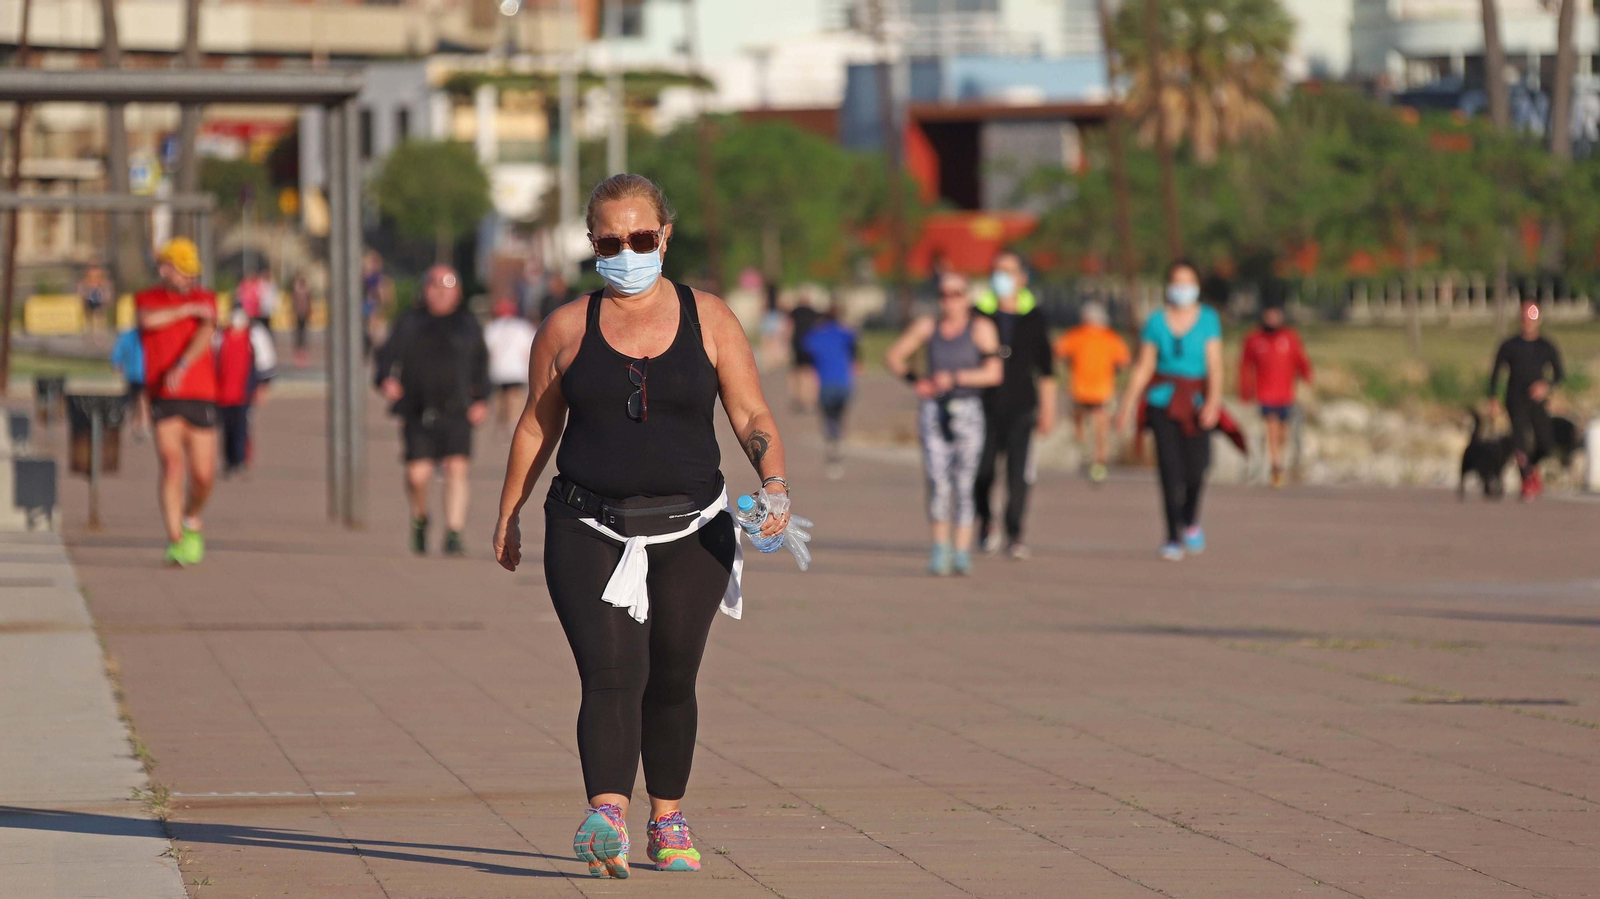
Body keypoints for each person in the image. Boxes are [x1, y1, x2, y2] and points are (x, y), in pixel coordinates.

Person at [493, 174, 796, 879]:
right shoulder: (566, 327)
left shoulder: (711, 318)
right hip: (584, 523)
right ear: (591, 243)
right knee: (610, 672)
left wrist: (774, 482)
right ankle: (606, 814)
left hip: (694, 527)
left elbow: (751, 415)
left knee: (671, 675)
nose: (626, 249)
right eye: (609, 240)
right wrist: (508, 512)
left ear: (664, 235)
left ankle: (667, 815)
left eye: (639, 237)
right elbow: (536, 425)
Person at [885, 272, 1004, 576]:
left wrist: (956, 378)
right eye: (943, 295)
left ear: (967, 297)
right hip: (934, 410)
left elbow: (994, 373)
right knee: (937, 481)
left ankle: (962, 550)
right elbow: (894, 356)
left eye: (956, 294)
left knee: (965, 482)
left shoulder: (980, 328)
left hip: (968, 409)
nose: (949, 301)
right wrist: (916, 381)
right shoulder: (929, 327)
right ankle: (941, 548)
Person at [375, 265, 489, 556]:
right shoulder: (409, 322)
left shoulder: (468, 324)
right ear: (424, 289)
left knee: (456, 469)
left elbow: (482, 364)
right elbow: (385, 359)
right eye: (434, 284)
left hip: (457, 410)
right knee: (418, 475)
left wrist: (482, 398)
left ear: (458, 291)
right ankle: (420, 517)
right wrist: (386, 380)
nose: (440, 290)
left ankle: (454, 531)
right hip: (417, 410)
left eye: (447, 284)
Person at [1116, 260, 1224, 561]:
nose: (1182, 288)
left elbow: (1215, 365)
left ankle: (1190, 518)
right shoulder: (1155, 322)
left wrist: (1213, 402)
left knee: (1197, 469)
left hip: (1196, 402)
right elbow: (1144, 366)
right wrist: (1126, 405)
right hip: (1162, 402)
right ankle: (1172, 535)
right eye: (1177, 282)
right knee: (1169, 470)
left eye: (1188, 282)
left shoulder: (1208, 320)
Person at [137, 238, 220, 567]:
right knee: (172, 464)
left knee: (203, 474)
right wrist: (184, 310)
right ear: (164, 269)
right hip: (164, 396)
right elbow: (147, 321)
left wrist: (182, 364)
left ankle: (192, 517)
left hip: (200, 394)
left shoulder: (206, 297)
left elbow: (207, 330)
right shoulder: (150, 299)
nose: (188, 279)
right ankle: (174, 539)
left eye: (191, 273)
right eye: (182, 272)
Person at [972, 250, 1056, 559]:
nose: (1002, 278)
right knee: (981, 472)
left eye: (1008, 272)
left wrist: (1048, 409)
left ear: (1022, 277)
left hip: (1022, 405)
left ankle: (1015, 532)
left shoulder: (1034, 316)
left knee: (1018, 475)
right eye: (997, 271)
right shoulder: (978, 313)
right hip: (983, 406)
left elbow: (1046, 370)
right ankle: (985, 523)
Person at [1489, 299, 1565, 501]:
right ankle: (1527, 482)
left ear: (1538, 319)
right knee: (1520, 441)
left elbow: (1560, 374)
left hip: (1537, 401)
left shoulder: (1546, 346)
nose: (1528, 321)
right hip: (1515, 399)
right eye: (1525, 315)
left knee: (1545, 443)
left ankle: (1532, 469)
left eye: (1532, 316)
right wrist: (1493, 399)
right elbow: (1496, 373)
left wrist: (1546, 386)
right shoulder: (1509, 345)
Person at [1238, 303, 1313, 488]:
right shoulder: (1254, 339)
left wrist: (1307, 378)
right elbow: (1245, 365)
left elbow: (1301, 360)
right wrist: (1245, 390)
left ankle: (1280, 459)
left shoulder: (1290, 338)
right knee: (1271, 426)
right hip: (1265, 393)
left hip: (1286, 394)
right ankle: (1276, 465)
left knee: (1283, 432)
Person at [1055, 301, 1129, 484]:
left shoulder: (1075, 335)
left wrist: (1068, 365)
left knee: (1081, 420)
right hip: (1101, 389)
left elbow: (1059, 352)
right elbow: (1124, 361)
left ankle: (1083, 449)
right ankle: (1099, 462)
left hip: (1080, 389)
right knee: (1101, 428)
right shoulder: (1111, 337)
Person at [800, 302, 859, 479]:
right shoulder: (845, 333)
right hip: (844, 383)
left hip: (825, 384)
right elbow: (855, 346)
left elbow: (805, 353)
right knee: (839, 416)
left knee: (828, 418)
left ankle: (833, 446)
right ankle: (838, 440)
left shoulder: (815, 336)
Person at [214, 308, 276, 477]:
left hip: (245, 391)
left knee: (243, 426)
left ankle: (241, 459)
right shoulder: (220, 336)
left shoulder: (255, 335)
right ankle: (229, 461)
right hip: (223, 391)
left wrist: (263, 387)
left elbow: (266, 362)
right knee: (227, 426)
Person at [483, 297, 537, 433]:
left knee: (500, 399)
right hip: (517, 371)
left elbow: (488, 351)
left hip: (498, 371)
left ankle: (501, 425)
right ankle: (513, 426)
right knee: (516, 399)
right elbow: (529, 351)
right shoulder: (523, 327)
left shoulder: (491, 327)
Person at [110, 325, 148, 440]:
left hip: (141, 374)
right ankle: (138, 425)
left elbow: (117, 352)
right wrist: (117, 364)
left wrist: (117, 363)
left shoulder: (130, 335)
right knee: (137, 400)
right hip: (136, 374)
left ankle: (140, 425)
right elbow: (118, 351)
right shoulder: (130, 335)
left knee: (141, 399)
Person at [787, 293, 820, 412]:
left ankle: (800, 398)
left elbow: (789, 327)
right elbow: (818, 327)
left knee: (799, 372)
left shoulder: (795, 311)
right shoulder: (813, 312)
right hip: (810, 343)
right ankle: (811, 398)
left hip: (797, 343)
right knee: (811, 372)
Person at [79, 264, 113, 336]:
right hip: (90, 293)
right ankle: (90, 329)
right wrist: (83, 295)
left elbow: (105, 285)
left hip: (97, 293)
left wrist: (106, 297)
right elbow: (83, 285)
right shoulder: (87, 277)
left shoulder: (101, 276)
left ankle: (99, 330)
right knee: (89, 314)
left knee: (99, 314)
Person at [290, 272, 314, 367]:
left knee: (303, 333)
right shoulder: (297, 291)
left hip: (304, 313)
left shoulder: (306, 291)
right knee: (298, 333)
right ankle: (298, 351)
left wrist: (309, 311)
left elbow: (309, 301)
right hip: (298, 313)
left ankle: (303, 351)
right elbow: (293, 302)